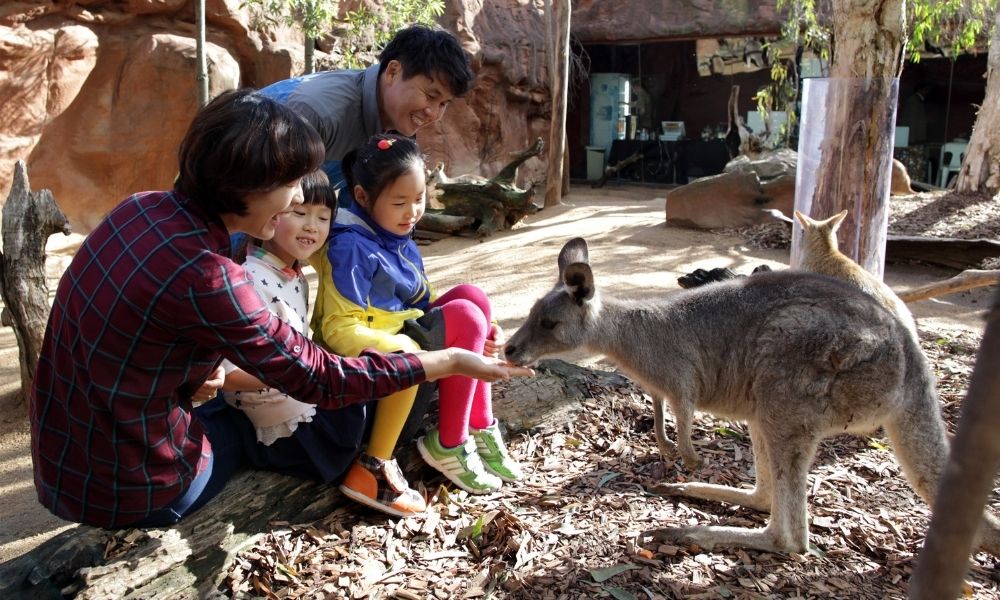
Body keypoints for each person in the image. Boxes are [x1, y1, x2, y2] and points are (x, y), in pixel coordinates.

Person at [29, 89, 532, 530]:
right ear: (245, 183)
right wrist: (448, 360)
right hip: (137, 488)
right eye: (291, 185)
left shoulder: (139, 207)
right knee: (259, 424)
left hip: (64, 469)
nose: (298, 197)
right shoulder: (208, 273)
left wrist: (193, 376)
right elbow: (320, 380)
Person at [314, 133, 524, 517]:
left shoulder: (393, 231)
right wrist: (402, 353)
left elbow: (418, 301)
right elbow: (338, 330)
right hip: (376, 387)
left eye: (419, 199)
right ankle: (427, 448)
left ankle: (479, 425)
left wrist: (485, 329)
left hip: (401, 345)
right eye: (399, 202)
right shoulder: (350, 247)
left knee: (472, 298)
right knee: (463, 317)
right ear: (362, 197)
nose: (412, 212)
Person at [259, 24, 475, 206]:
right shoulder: (318, 113)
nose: (433, 113)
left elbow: (357, 210)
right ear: (392, 72)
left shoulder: (398, 127)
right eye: (430, 95)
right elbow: (259, 198)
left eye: (443, 104)